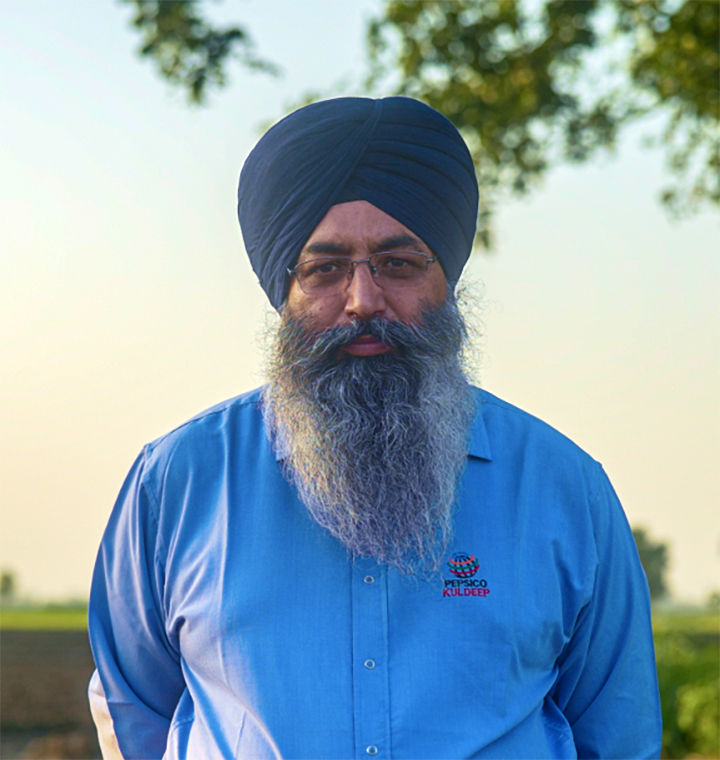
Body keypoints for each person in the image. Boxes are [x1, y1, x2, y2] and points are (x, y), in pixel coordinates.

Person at [88, 97, 662, 760]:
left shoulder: (565, 487)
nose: (363, 300)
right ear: (285, 293)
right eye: (325, 268)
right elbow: (135, 714)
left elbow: (616, 735)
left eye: (397, 263)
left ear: (448, 280)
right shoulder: (178, 481)